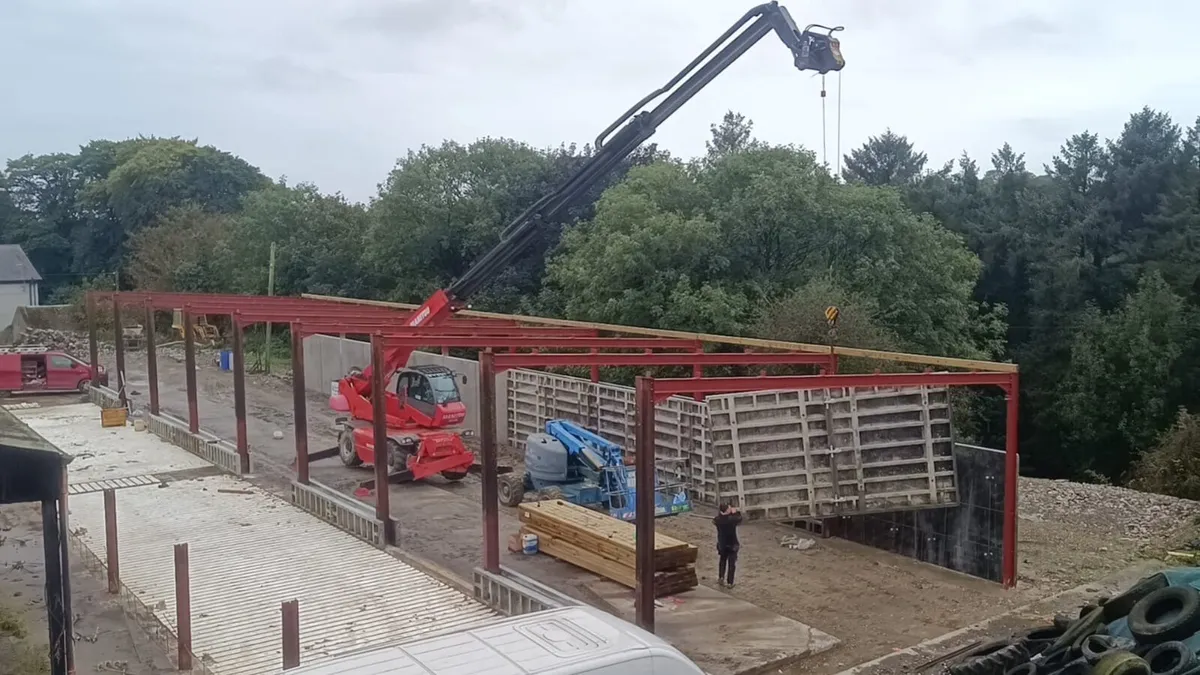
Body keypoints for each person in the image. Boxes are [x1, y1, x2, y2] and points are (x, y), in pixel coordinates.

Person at [712, 503, 742, 588]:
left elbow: (717, 518)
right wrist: (735, 512)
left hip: (722, 544)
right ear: (727, 510)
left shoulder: (717, 520)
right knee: (731, 564)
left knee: (722, 561)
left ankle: (721, 577)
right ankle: (730, 582)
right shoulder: (731, 519)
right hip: (732, 544)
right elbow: (739, 518)